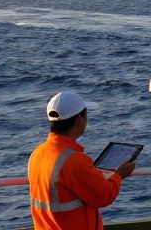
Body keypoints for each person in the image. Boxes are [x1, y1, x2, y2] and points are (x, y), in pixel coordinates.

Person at [28, 90, 136, 230]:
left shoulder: (37, 153)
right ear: (79, 120)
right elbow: (104, 196)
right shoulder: (74, 160)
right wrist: (120, 175)